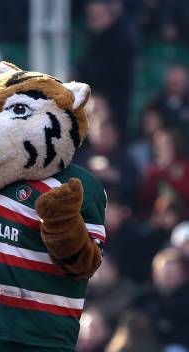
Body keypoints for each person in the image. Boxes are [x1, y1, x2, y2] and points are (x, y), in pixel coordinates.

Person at [76, 0, 135, 134]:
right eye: (92, 17)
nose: (94, 22)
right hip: (92, 100)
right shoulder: (91, 40)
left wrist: (100, 99)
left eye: (98, 17)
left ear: (109, 16)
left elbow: (116, 77)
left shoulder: (121, 40)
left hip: (112, 104)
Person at [135, 248, 189, 349]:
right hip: (146, 347)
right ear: (155, 273)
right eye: (165, 273)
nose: (169, 276)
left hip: (179, 348)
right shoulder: (143, 297)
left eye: (173, 272)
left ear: (181, 274)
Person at [139, 128, 189, 214]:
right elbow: (144, 199)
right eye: (158, 146)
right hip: (159, 217)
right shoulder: (152, 170)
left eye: (165, 145)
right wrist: (154, 175)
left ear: (174, 146)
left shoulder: (184, 166)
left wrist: (168, 174)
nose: (161, 150)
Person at [149, 65, 189, 138]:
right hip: (160, 141)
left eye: (178, 81)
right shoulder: (156, 102)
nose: (175, 83)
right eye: (173, 81)